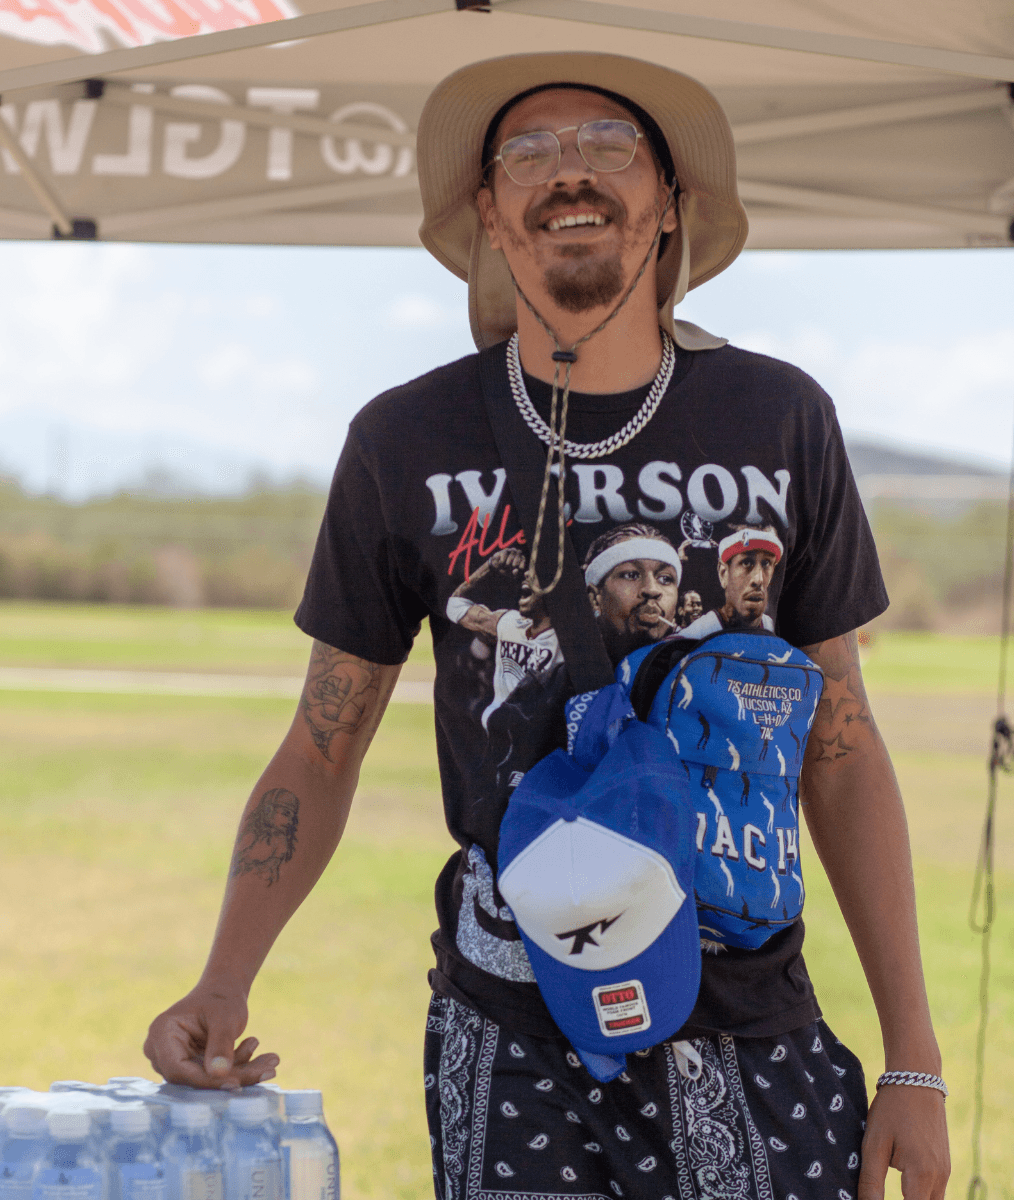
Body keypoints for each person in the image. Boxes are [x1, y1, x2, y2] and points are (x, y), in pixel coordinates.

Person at [143, 52, 949, 1200]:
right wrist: (222, 980)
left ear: (669, 204)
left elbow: (844, 742)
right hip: (512, 1027)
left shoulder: (779, 416)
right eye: (526, 154)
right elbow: (325, 743)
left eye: (610, 147)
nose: (568, 174)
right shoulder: (404, 440)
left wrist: (914, 1062)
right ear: (490, 215)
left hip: (752, 1020)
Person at [445, 547, 562, 729]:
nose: (527, 577)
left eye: (537, 573)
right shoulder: (508, 622)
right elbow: (454, 606)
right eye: (528, 573)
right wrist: (489, 566)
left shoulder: (572, 635)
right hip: (498, 740)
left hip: (545, 743)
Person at [581, 522, 680, 659]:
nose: (652, 590)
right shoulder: (557, 679)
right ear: (594, 598)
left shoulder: (698, 674)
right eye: (631, 575)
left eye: (665, 579)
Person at [684, 525, 782, 638]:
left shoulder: (773, 628)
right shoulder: (693, 637)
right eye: (746, 563)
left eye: (766, 563)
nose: (758, 580)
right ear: (723, 573)